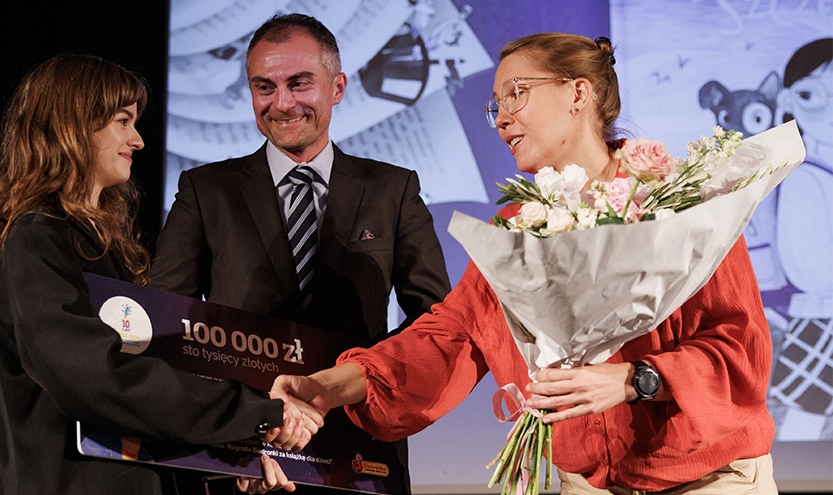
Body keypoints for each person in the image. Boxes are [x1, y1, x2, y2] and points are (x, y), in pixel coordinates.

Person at [273, 33, 778, 494]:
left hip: (710, 482)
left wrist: (632, 379)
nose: (502, 119)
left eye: (517, 94)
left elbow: (741, 351)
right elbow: (448, 338)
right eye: (496, 105)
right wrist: (325, 387)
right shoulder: (518, 230)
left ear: (578, 94)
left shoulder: (679, 203)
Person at [0, 53, 315, 495]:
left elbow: (143, 411)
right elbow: (101, 378)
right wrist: (253, 412)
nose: (138, 140)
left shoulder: (104, 249)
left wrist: (234, 458)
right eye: (123, 121)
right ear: (74, 127)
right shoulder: (38, 238)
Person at [151, 14, 451, 493]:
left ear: (337, 87)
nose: (282, 103)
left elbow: (434, 324)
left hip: (360, 455)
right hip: (246, 458)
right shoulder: (205, 191)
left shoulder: (393, 189)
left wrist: (351, 383)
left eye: (299, 83)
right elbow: (165, 325)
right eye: (264, 87)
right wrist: (235, 435)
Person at [768, 37, 833, 440]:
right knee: (804, 424)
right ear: (789, 99)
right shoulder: (805, 177)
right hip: (820, 319)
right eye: (812, 95)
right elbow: (809, 269)